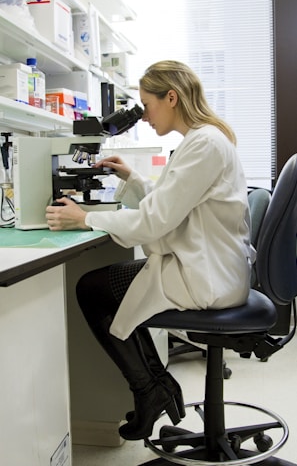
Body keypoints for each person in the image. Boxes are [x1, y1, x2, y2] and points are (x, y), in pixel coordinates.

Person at [45, 60, 253, 441]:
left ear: (171, 98)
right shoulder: (202, 140)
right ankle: (154, 386)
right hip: (209, 265)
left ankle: (150, 389)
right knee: (112, 290)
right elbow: (171, 205)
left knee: (92, 290)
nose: (143, 116)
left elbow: (155, 222)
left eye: (147, 104)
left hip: (206, 275)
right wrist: (134, 179)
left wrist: (85, 217)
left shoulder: (203, 144)